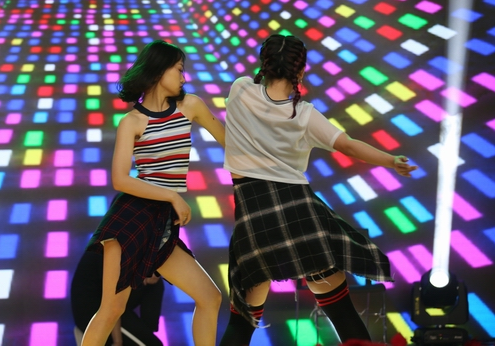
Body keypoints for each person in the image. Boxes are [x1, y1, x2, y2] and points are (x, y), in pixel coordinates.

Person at [219, 34, 418, 345]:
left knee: (242, 320)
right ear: (300, 71)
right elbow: (348, 145)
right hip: (300, 215)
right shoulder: (304, 114)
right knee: (341, 311)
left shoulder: (240, 89)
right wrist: (392, 161)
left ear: (264, 64)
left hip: (255, 218)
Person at [81, 40, 225, 346]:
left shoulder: (191, 106)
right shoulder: (132, 121)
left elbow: (231, 143)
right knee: (111, 309)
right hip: (132, 219)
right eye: (179, 69)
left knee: (210, 297)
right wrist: (172, 196)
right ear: (160, 71)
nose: (184, 77)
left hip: (162, 223)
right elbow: (120, 179)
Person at [71, 249, 165, 346]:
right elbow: (112, 306)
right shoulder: (116, 251)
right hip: (93, 312)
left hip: (112, 300)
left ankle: (145, 333)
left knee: (155, 284)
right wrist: (118, 341)